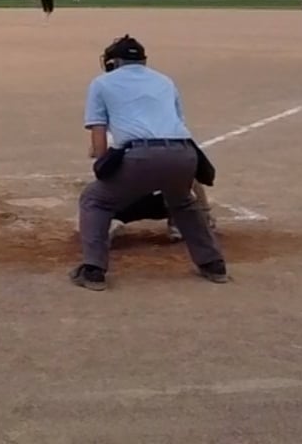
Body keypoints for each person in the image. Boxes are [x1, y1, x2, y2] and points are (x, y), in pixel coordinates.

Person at [71, 34, 228, 290]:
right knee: (183, 203)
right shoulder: (164, 81)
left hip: (140, 156)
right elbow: (177, 124)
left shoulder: (102, 83)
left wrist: (103, 164)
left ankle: (93, 270)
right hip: (184, 153)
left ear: (112, 63)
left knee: (94, 200)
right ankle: (214, 265)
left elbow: (99, 141)